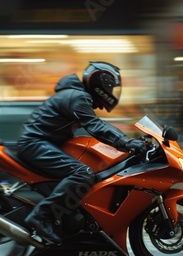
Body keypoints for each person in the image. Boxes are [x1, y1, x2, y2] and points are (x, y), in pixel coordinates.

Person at [17, 61, 146, 245]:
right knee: (82, 173)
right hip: (35, 143)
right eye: (111, 88)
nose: (112, 93)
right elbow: (95, 126)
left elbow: (94, 125)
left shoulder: (76, 95)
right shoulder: (78, 97)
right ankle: (41, 216)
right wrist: (127, 142)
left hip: (41, 142)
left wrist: (128, 139)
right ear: (101, 84)